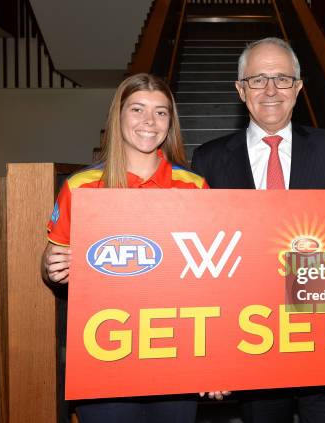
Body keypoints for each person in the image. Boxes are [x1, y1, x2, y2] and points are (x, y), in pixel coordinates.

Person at [191, 37, 325, 423]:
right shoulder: (208, 158)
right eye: (258, 79)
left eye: (282, 78)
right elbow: (200, 249)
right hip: (252, 332)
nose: (271, 90)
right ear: (241, 90)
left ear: (298, 87)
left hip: (324, 323)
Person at [42, 73, 208, 423]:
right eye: (137, 109)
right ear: (117, 116)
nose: (150, 121)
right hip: (105, 354)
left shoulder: (194, 187)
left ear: (171, 122)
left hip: (175, 354)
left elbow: (210, 280)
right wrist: (51, 265)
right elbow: (53, 260)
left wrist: (213, 358)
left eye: (161, 113)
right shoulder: (82, 187)